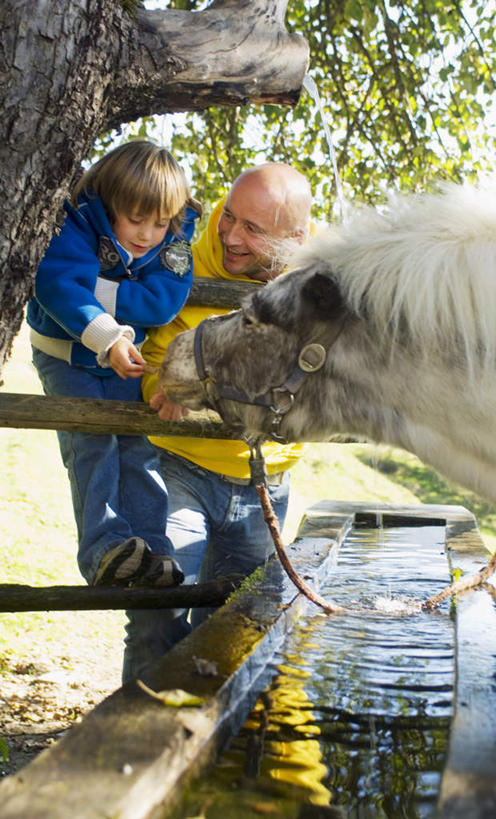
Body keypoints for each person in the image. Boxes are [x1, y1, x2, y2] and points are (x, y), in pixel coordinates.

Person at [123, 163, 312, 682]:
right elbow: (150, 355)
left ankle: (203, 731)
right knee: (157, 614)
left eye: (252, 229)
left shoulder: (321, 278)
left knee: (233, 630)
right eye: (229, 216)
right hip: (178, 468)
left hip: (264, 483)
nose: (229, 235)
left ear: (295, 239)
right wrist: (163, 385)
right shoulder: (182, 258)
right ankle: (136, 730)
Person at [26, 140, 202, 588]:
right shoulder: (78, 220)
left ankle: (152, 549)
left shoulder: (174, 237)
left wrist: (95, 289)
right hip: (67, 356)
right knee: (92, 443)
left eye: (159, 223)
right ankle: (105, 548)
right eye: (135, 220)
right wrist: (109, 334)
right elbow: (58, 284)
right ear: (109, 203)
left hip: (126, 360)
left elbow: (162, 302)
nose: (147, 235)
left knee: (138, 449)